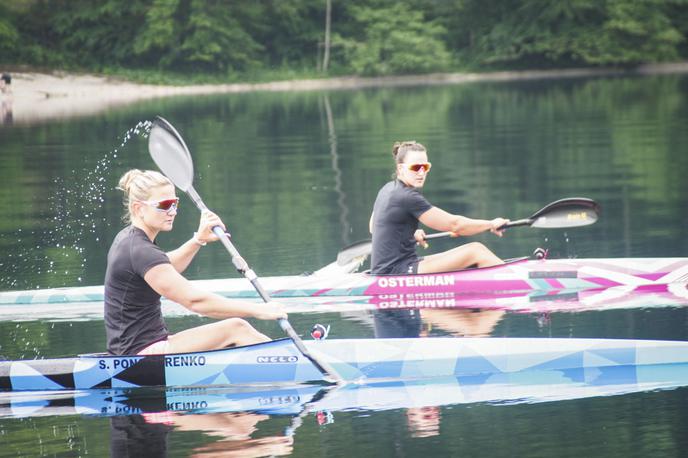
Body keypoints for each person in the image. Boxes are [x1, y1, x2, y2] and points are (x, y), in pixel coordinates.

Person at [105, 169, 286, 356]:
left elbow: (165, 268)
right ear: (138, 208)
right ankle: (289, 359)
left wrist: (199, 239)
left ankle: (282, 356)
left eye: (174, 203)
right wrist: (260, 310)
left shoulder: (129, 240)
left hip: (143, 347)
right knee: (237, 328)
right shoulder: (140, 250)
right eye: (165, 205)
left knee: (235, 335)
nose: (173, 212)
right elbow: (195, 301)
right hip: (138, 356)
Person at [369, 141, 508, 275]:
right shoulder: (408, 197)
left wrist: (407, 235)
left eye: (425, 167)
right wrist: (491, 224)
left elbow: (373, 227)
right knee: (476, 251)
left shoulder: (387, 189)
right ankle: (517, 280)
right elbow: (456, 224)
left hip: (392, 268)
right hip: (397, 272)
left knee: (473, 251)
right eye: (416, 167)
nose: (421, 172)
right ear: (401, 168)